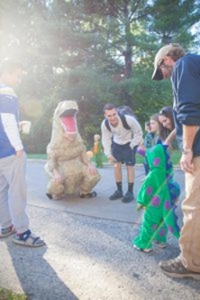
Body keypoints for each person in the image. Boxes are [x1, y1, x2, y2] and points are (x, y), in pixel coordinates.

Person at [152, 43, 200, 279]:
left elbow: (190, 111)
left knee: (194, 207)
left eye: (161, 70)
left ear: (166, 60)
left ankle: (190, 263)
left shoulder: (183, 64)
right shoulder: (195, 64)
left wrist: (188, 149)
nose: (163, 75)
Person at [0, 58, 45, 247]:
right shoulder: (7, 92)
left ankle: (5, 226)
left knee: (1, 191)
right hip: (10, 153)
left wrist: (15, 127)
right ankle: (22, 232)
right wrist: (18, 146)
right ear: (8, 72)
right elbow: (7, 121)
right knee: (18, 192)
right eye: (18, 75)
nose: (19, 80)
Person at [133, 142, 180, 252]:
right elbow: (174, 185)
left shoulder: (153, 174)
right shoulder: (167, 171)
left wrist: (141, 202)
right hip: (166, 202)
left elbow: (146, 190)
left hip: (154, 205)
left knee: (148, 223)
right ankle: (161, 240)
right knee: (162, 222)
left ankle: (143, 244)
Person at [101, 103, 143, 203]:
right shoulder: (105, 124)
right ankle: (119, 191)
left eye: (114, 114)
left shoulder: (129, 119)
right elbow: (106, 139)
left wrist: (132, 145)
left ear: (117, 112)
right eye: (109, 115)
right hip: (117, 144)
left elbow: (138, 133)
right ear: (105, 116)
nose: (112, 117)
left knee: (129, 167)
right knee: (116, 166)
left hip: (129, 143)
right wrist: (108, 154)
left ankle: (130, 192)